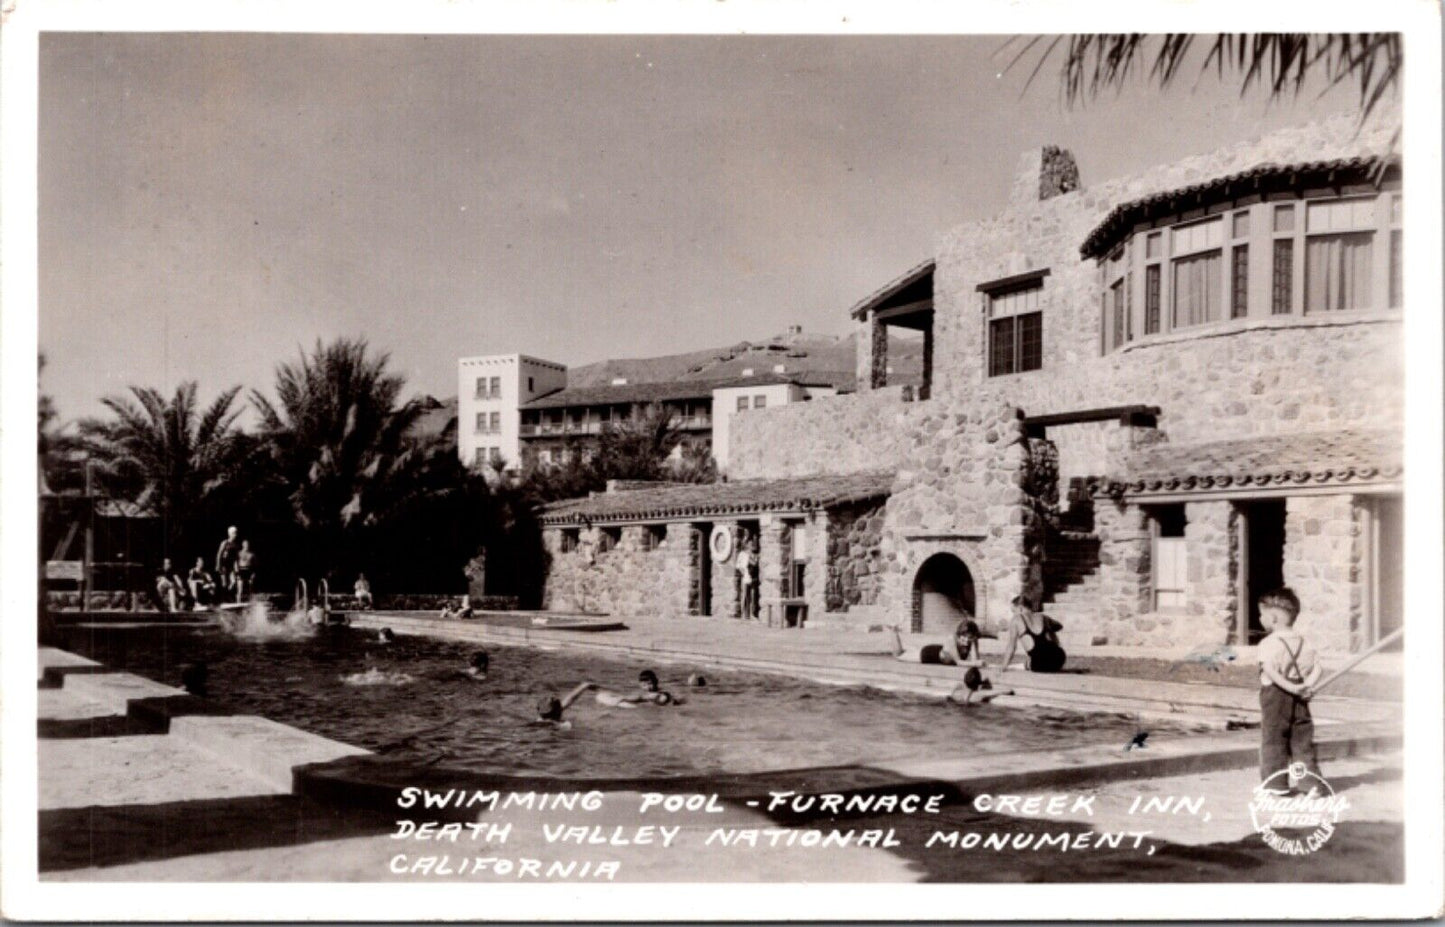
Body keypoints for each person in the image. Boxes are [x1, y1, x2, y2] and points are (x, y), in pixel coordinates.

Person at [1256, 587, 1322, 789]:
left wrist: (1291, 689)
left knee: (1274, 742)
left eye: (1261, 615)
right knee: (1302, 743)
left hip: (1277, 700)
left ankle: (1275, 786)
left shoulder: (1268, 643)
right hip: (1301, 698)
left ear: (1273, 618)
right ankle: (1311, 785)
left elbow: (1270, 671)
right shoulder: (1304, 643)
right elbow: (1318, 667)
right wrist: (1306, 686)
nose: (1260, 619)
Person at [997, 595, 1066, 674]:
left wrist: (1004, 666)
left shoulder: (1016, 620)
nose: (1013, 614)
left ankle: (1028, 663)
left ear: (1020, 608)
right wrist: (1049, 631)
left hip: (1041, 663)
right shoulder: (1043, 617)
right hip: (1059, 657)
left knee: (1029, 662)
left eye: (1014, 611)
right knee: (1043, 648)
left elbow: (1012, 646)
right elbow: (1059, 626)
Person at [890, 618, 980, 666]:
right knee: (899, 655)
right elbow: (959, 662)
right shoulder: (951, 639)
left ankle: (910, 647)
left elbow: (975, 660)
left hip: (939, 650)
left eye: (970, 638)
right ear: (959, 635)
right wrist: (976, 663)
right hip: (928, 654)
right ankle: (893, 631)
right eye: (964, 638)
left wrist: (973, 644)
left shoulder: (972, 641)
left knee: (906, 652)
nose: (967, 641)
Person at [947, 666, 1012, 707]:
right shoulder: (977, 695)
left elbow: (959, 684)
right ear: (978, 684)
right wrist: (1007, 691)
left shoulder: (957, 693)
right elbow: (993, 692)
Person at [215, 526, 241, 597]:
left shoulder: (235, 545)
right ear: (230, 534)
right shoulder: (224, 543)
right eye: (234, 533)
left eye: (236, 533)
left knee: (233, 582)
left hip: (230, 566)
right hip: (223, 565)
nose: (235, 535)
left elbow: (236, 558)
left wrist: (236, 569)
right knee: (224, 584)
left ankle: (228, 595)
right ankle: (223, 598)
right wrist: (218, 566)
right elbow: (219, 554)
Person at [736, 537, 758, 619]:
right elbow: (738, 566)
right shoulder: (742, 554)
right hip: (745, 576)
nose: (751, 545)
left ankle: (752, 613)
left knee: (753, 595)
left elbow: (755, 564)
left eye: (752, 544)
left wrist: (751, 559)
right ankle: (744, 614)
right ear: (747, 545)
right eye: (750, 544)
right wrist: (744, 573)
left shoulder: (754, 554)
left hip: (753, 576)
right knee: (745, 595)